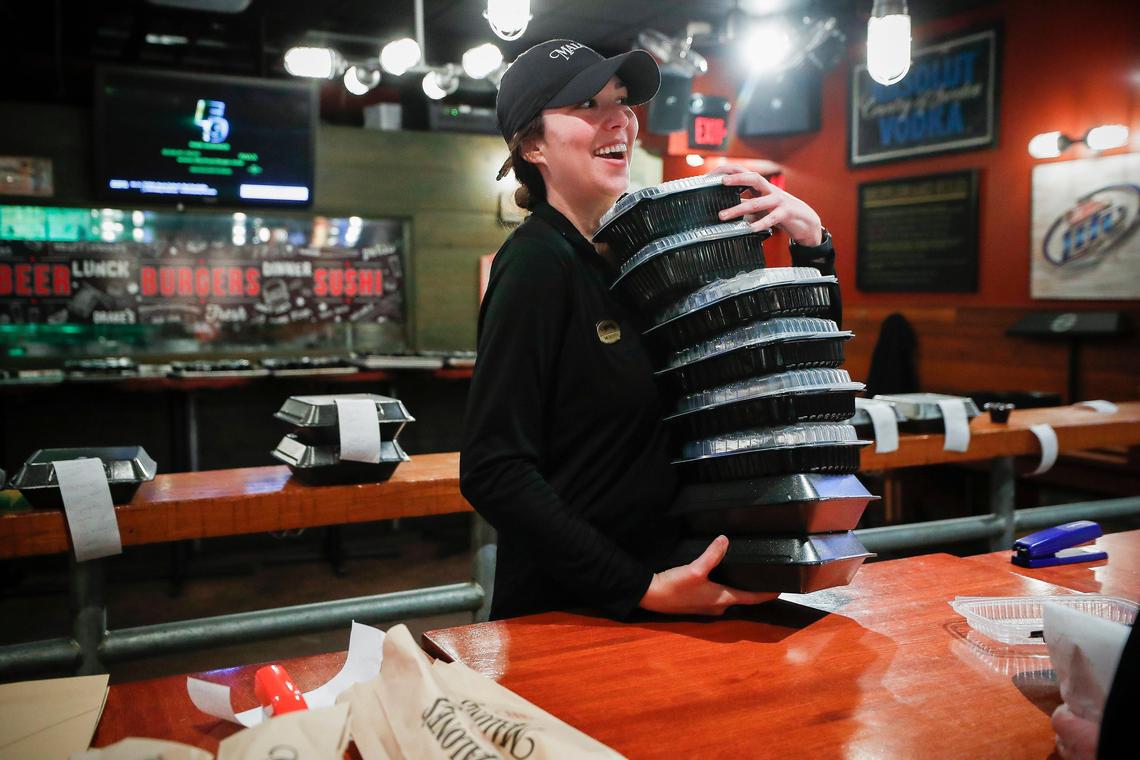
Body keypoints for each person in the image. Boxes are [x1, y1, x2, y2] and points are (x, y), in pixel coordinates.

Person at [460, 39, 837, 621]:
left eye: (622, 101)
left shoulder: (640, 256)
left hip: (678, 592)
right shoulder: (536, 262)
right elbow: (494, 471)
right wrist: (639, 586)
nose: (621, 119)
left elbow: (777, 378)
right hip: (575, 616)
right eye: (587, 104)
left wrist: (813, 247)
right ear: (533, 145)